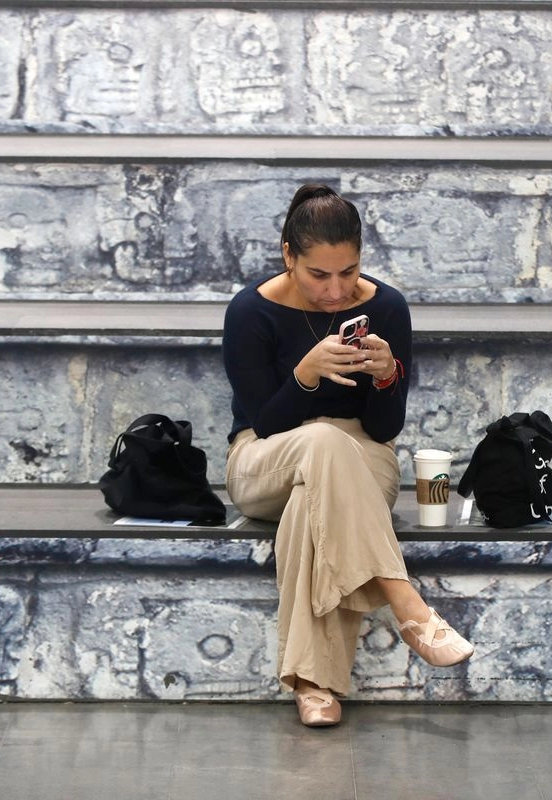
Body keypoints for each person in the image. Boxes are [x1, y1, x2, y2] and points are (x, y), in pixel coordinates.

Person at [222, 184, 474, 727]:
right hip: (265, 456)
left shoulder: (387, 306)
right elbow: (263, 423)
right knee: (321, 444)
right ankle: (407, 604)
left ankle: (313, 685)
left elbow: (385, 428)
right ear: (288, 255)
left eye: (349, 271)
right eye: (319, 274)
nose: (336, 290)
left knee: (310, 509)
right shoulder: (250, 311)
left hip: (362, 457)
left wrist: (386, 377)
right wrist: (307, 374)